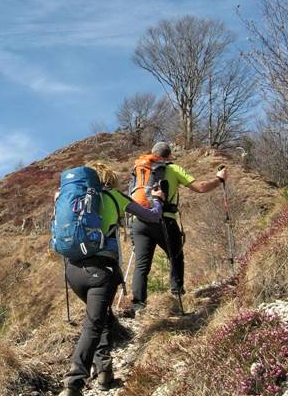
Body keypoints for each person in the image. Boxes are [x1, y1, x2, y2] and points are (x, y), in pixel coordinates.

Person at [59, 161, 165, 396]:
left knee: (103, 316)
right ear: (110, 179)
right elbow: (152, 217)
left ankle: (105, 371)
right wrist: (158, 199)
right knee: (94, 324)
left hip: (73, 270)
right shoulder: (117, 197)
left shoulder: (73, 199)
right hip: (101, 272)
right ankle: (74, 383)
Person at [125, 141, 227, 317]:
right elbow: (200, 188)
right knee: (176, 256)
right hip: (164, 219)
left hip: (139, 220)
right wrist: (219, 179)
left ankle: (138, 305)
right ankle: (177, 293)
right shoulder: (172, 169)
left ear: (152, 154)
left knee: (142, 265)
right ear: (169, 156)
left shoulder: (140, 170)